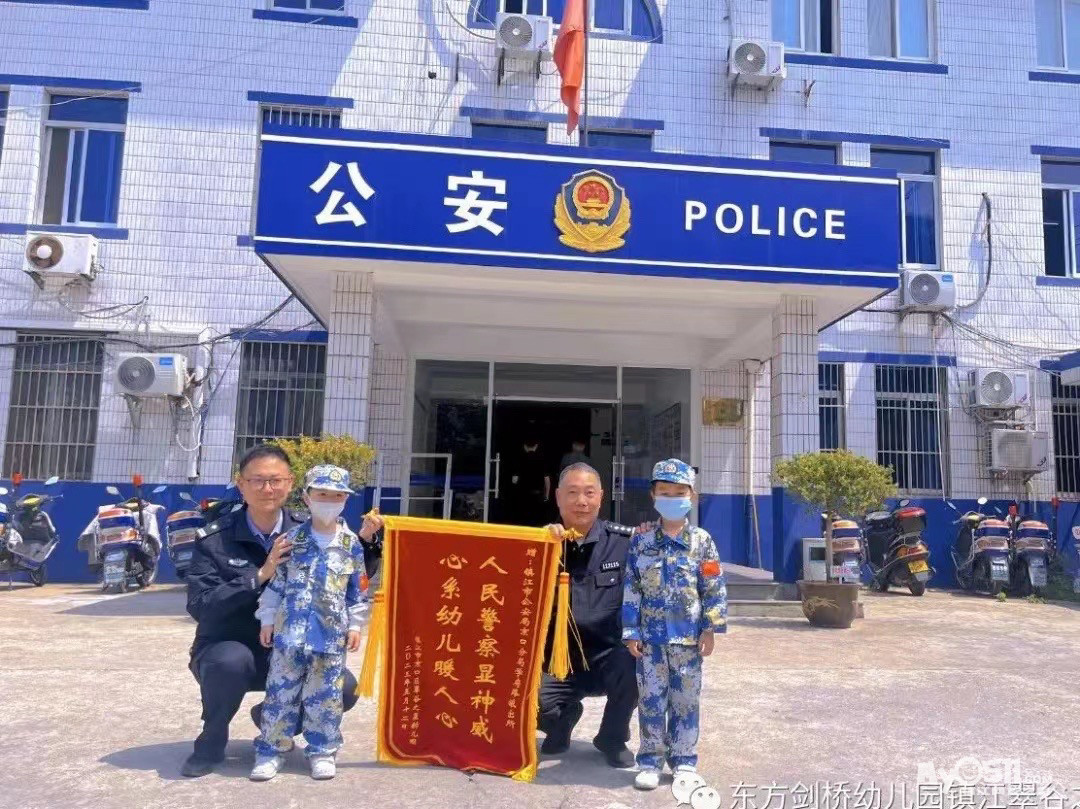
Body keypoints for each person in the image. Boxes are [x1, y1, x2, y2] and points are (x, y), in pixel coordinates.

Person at [180, 444, 377, 778]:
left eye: (275, 480)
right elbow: (201, 604)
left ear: (290, 484)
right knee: (229, 662)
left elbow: (347, 580)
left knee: (341, 686)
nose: (267, 489)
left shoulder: (310, 531)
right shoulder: (215, 538)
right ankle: (211, 740)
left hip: (294, 643)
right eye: (257, 480)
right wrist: (259, 576)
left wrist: (366, 544)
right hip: (234, 644)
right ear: (241, 484)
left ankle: (281, 728)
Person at [251, 464, 376, 782]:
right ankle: (271, 751)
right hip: (289, 636)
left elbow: (358, 591)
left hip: (329, 638)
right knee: (280, 695)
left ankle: (322, 751)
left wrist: (355, 625)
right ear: (307, 498)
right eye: (322, 494)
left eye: (337, 496)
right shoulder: (291, 540)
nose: (329, 501)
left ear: (345, 501)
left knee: (326, 698)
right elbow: (277, 584)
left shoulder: (351, 545)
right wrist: (267, 619)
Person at [621, 459, 727, 791]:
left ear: (691, 496)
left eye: (679, 492)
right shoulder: (641, 542)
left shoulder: (703, 542)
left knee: (686, 702)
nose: (672, 498)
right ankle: (650, 762)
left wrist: (710, 628)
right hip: (650, 642)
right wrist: (631, 631)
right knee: (651, 701)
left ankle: (684, 761)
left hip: (688, 640)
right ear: (653, 495)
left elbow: (713, 586)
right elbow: (632, 588)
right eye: (665, 492)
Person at [537, 462, 638, 769]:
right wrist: (540, 547)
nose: (581, 501)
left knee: (638, 662)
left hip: (608, 656)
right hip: (559, 659)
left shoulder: (626, 543)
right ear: (557, 497)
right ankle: (561, 720)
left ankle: (612, 737)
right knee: (525, 693)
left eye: (589, 493)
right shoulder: (540, 544)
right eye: (572, 493)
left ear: (601, 497)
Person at [507, 436, 551, 525]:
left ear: (525, 446)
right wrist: (546, 495)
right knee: (538, 520)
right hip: (538, 494)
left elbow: (514, 480)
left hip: (523, 494)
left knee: (524, 520)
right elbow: (547, 480)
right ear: (536, 446)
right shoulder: (542, 460)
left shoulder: (519, 459)